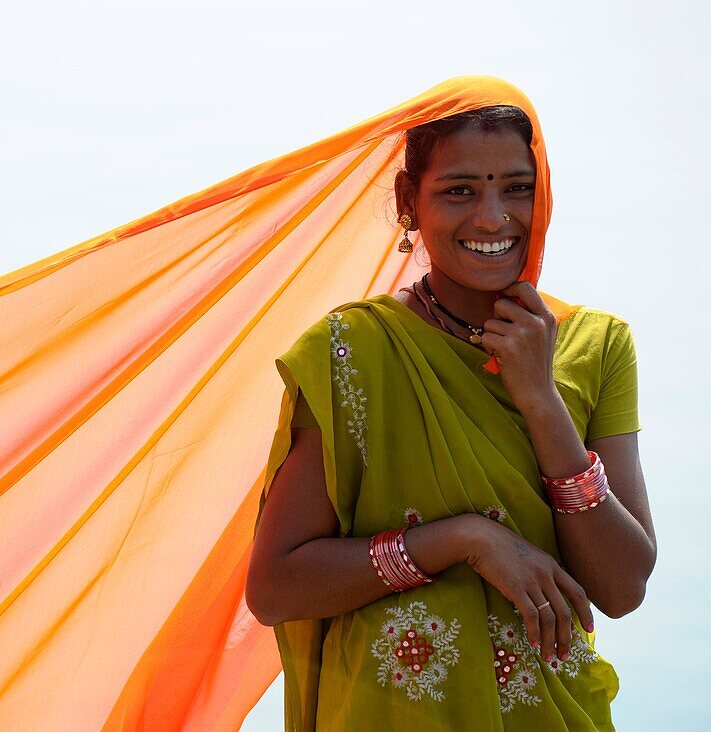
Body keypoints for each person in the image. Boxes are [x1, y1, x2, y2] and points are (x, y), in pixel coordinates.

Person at [246, 97, 657, 729]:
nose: (493, 217)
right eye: (459, 190)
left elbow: (623, 587)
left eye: (517, 189)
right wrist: (463, 540)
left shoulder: (597, 346)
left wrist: (541, 398)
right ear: (411, 199)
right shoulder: (354, 352)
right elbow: (276, 587)